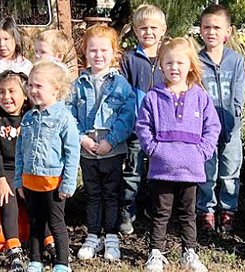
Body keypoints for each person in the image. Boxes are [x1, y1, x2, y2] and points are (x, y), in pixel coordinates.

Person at [137, 37, 219, 272]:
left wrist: (202, 151)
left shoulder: (200, 96)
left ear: (191, 65)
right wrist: (153, 148)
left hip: (191, 168)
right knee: (160, 213)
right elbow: (143, 125)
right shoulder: (153, 96)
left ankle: (189, 252)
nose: (174, 68)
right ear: (161, 65)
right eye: (169, 63)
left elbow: (212, 126)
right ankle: (155, 253)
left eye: (180, 63)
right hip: (161, 168)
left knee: (188, 214)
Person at [71, 24, 136, 261]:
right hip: (88, 151)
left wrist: (111, 140)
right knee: (93, 193)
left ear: (114, 52)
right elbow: (70, 114)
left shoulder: (121, 85)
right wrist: (81, 138)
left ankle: (111, 235)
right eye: (93, 50)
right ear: (85, 52)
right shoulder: (78, 85)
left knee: (111, 194)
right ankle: (93, 234)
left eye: (103, 50)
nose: (98, 56)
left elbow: (127, 116)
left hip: (111, 149)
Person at [14, 60, 80, 272]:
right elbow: (20, 151)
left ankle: (62, 263)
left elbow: (72, 152)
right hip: (30, 180)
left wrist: (68, 183)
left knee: (56, 223)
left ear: (55, 89)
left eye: (39, 86)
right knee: (34, 222)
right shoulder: (28, 118)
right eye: (31, 85)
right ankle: (35, 260)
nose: (33, 90)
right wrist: (18, 180)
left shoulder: (64, 118)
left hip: (53, 182)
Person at [196, 5, 245, 233]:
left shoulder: (235, 61)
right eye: (206, 27)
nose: (211, 32)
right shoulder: (196, 60)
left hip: (230, 126)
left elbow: (239, 93)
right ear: (200, 30)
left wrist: (235, 114)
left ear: (228, 31)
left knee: (230, 173)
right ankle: (206, 211)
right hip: (204, 130)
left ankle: (228, 210)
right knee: (207, 173)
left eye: (217, 27)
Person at [117, 4, 167, 234]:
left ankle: (154, 208)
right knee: (133, 172)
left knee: (158, 172)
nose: (149, 32)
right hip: (138, 129)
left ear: (163, 30)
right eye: (143, 28)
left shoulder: (168, 58)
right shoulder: (129, 59)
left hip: (163, 129)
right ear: (136, 31)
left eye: (153, 27)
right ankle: (128, 210)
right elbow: (125, 94)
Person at [0, 70, 33, 271]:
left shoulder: (31, 116)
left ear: (24, 94)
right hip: (3, 170)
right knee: (9, 200)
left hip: (27, 169)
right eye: (1, 92)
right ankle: (13, 247)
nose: (6, 97)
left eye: (12, 92)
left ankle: (48, 240)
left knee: (37, 199)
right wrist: (0, 180)